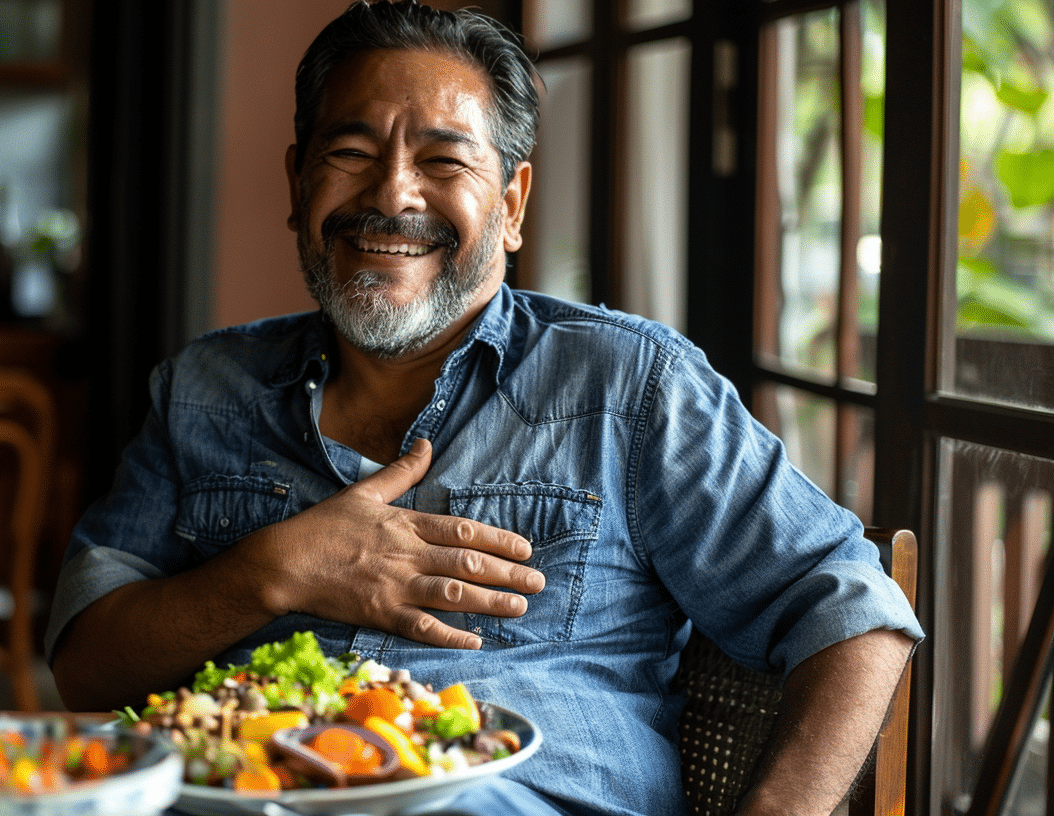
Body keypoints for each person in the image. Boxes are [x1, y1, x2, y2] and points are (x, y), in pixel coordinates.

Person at [46, 2, 924, 814]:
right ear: (296, 182)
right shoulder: (203, 387)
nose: (392, 195)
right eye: (350, 152)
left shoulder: (629, 386)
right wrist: (271, 572)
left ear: (510, 205)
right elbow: (85, 668)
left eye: (443, 159)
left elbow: (851, 608)